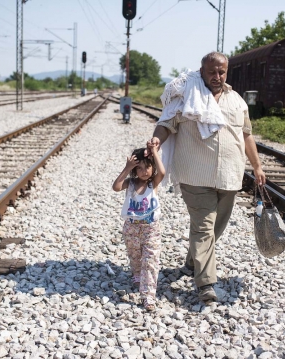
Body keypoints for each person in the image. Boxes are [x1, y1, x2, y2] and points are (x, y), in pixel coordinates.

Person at [146, 51, 266, 302]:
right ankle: (206, 284)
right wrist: (157, 139)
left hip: (229, 175)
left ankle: (191, 263)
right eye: (212, 71)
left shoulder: (237, 101)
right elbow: (167, 123)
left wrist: (257, 166)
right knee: (203, 227)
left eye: (221, 71)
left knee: (215, 228)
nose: (217, 76)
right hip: (195, 174)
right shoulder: (188, 96)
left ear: (227, 71)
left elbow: (247, 135)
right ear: (202, 71)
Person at [112, 144, 165, 311]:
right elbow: (116, 187)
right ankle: (136, 273)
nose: (144, 171)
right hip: (131, 227)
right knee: (135, 255)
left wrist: (155, 152)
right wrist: (127, 168)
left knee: (150, 260)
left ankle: (148, 296)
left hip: (151, 228)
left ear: (152, 167)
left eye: (148, 166)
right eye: (140, 168)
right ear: (135, 171)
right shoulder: (131, 183)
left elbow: (162, 172)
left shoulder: (153, 183)